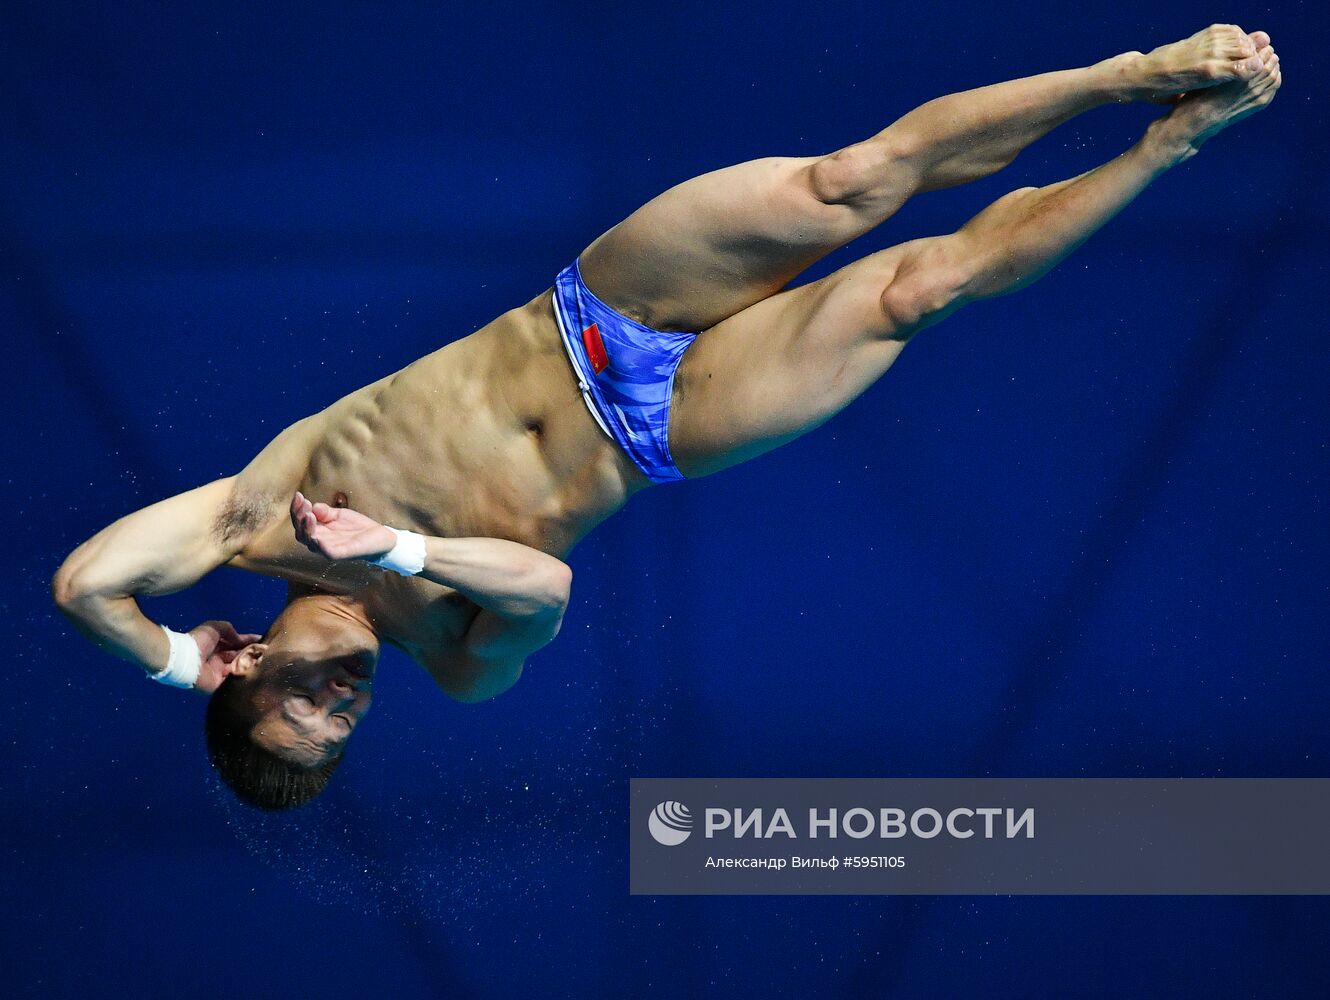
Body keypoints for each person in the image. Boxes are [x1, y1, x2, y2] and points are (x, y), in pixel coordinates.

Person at [52, 26, 1280, 809]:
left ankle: (1128, 77)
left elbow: (84, 586)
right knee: (922, 289)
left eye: (302, 706)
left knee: (851, 180)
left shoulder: (252, 519)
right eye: (340, 731)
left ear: (249, 666)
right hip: (663, 429)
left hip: (591, 314)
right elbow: (546, 589)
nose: (342, 707)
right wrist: (398, 553)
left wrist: (168, 662)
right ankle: (1169, 145)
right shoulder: (453, 658)